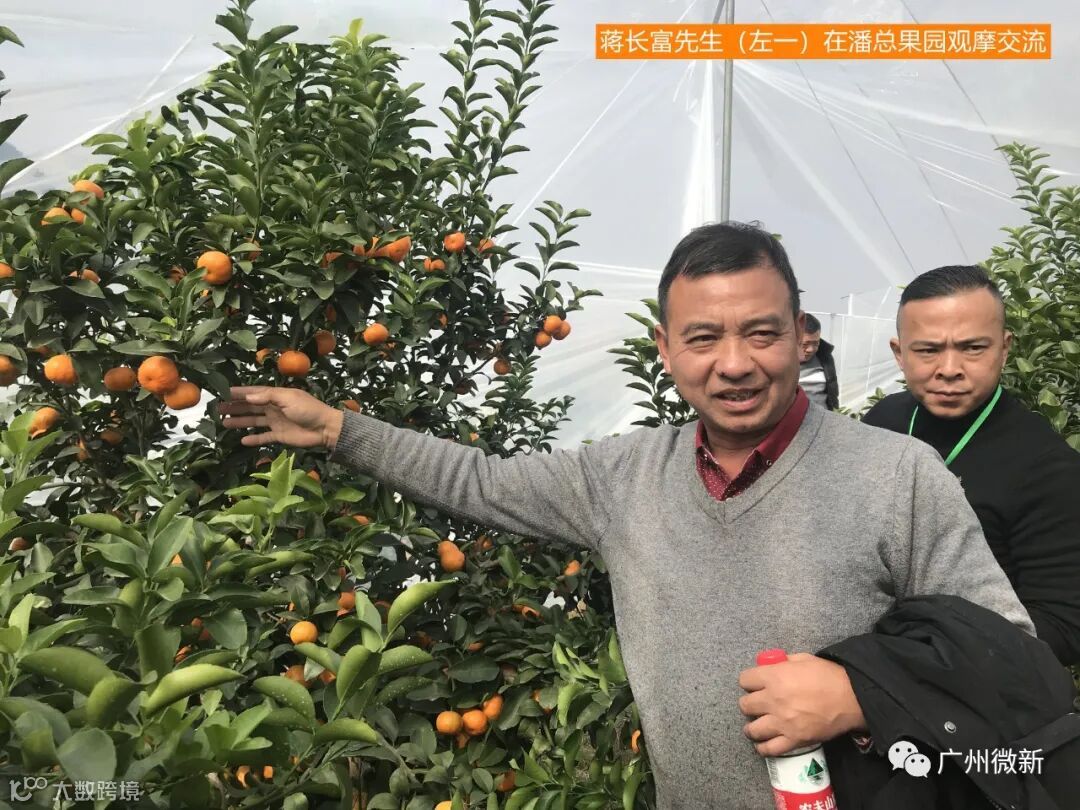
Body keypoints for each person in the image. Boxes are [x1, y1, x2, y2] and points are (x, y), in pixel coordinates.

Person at [217, 222, 1033, 810]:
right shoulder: (621, 477)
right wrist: (339, 430)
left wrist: (862, 694)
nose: (735, 363)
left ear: (800, 337)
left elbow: (1014, 657)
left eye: (761, 333)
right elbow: (479, 480)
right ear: (665, 349)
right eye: (704, 338)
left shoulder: (897, 475)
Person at [862, 264, 1080, 667]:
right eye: (928, 350)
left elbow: (1064, 626)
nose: (949, 369)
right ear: (899, 353)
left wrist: (918, 660)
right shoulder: (882, 421)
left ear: (1004, 347)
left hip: (967, 686)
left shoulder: (1048, 468)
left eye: (973, 348)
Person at [798, 313, 839, 410]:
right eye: (805, 344)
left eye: (816, 343)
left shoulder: (824, 357)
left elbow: (832, 393)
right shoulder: (779, 363)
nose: (811, 349)